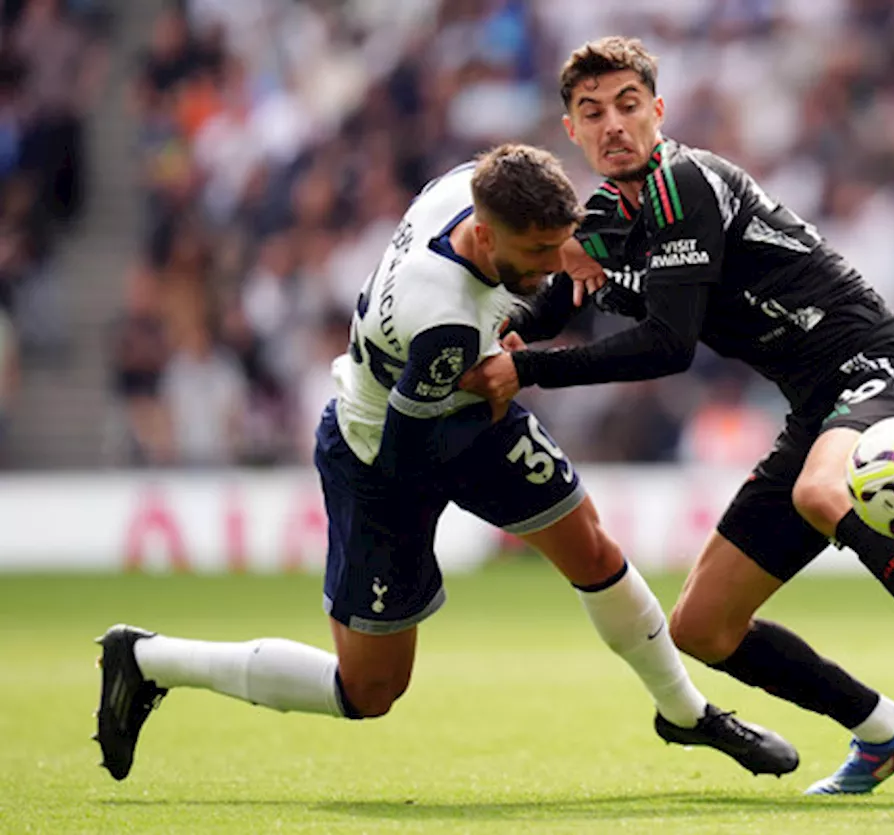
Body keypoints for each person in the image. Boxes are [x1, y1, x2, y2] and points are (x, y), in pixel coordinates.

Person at [460, 39, 894, 796]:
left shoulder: (685, 182)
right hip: (816, 409)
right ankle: (883, 727)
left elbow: (669, 345)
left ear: (658, 112)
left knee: (819, 492)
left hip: (880, 368)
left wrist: (528, 369)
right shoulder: (608, 216)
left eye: (629, 105)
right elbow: (551, 301)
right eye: (592, 112)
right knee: (702, 627)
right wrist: (500, 334)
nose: (613, 125)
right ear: (571, 131)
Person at [95, 144, 797, 782]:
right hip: (380, 453)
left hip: (467, 410)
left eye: (562, 241)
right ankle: (148, 659)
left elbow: (538, 279)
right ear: (489, 237)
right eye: (541, 249)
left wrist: (575, 256)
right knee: (370, 690)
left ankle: (686, 712)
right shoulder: (446, 322)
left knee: (591, 547)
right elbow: (406, 453)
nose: (558, 259)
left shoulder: (472, 187)